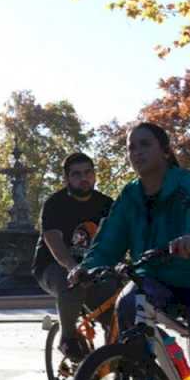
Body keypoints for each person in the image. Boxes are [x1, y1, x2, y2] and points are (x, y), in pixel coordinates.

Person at [70, 122, 190, 380]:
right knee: (127, 305)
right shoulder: (130, 195)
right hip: (158, 278)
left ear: (165, 151)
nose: (136, 152)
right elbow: (109, 240)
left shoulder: (186, 183)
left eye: (145, 144)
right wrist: (87, 267)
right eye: (131, 147)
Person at [32, 152, 117, 361]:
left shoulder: (107, 204)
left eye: (88, 172)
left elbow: (118, 237)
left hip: (93, 267)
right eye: (76, 174)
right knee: (72, 283)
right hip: (53, 267)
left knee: (117, 312)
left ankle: (114, 377)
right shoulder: (54, 204)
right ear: (67, 179)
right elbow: (54, 241)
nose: (83, 178)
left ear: (95, 175)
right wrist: (72, 267)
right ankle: (67, 338)